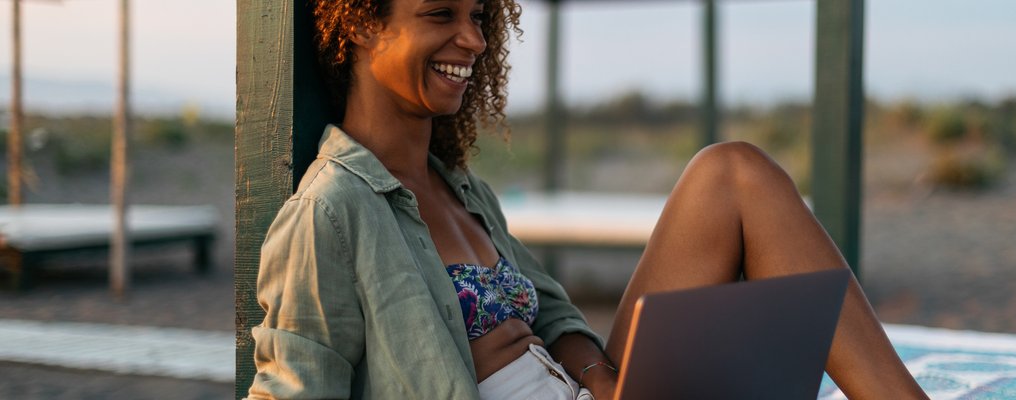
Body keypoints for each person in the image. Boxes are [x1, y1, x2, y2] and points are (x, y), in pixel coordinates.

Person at [248, 0, 928, 398]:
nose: (473, 40)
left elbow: (550, 309)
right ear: (360, 23)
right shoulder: (331, 212)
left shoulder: (464, 191)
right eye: (440, 15)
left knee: (733, 172)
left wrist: (599, 375)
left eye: (479, 16)